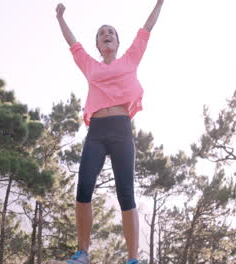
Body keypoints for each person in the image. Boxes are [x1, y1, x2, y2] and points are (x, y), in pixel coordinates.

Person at [53, 1, 164, 264]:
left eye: (111, 32)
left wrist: (160, 2)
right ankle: (82, 253)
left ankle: (132, 259)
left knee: (126, 193)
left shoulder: (130, 59)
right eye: (102, 33)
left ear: (117, 41)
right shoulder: (91, 66)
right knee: (83, 188)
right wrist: (60, 18)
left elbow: (147, 28)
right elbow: (73, 44)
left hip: (121, 130)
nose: (106, 34)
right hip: (97, 132)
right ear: (98, 45)